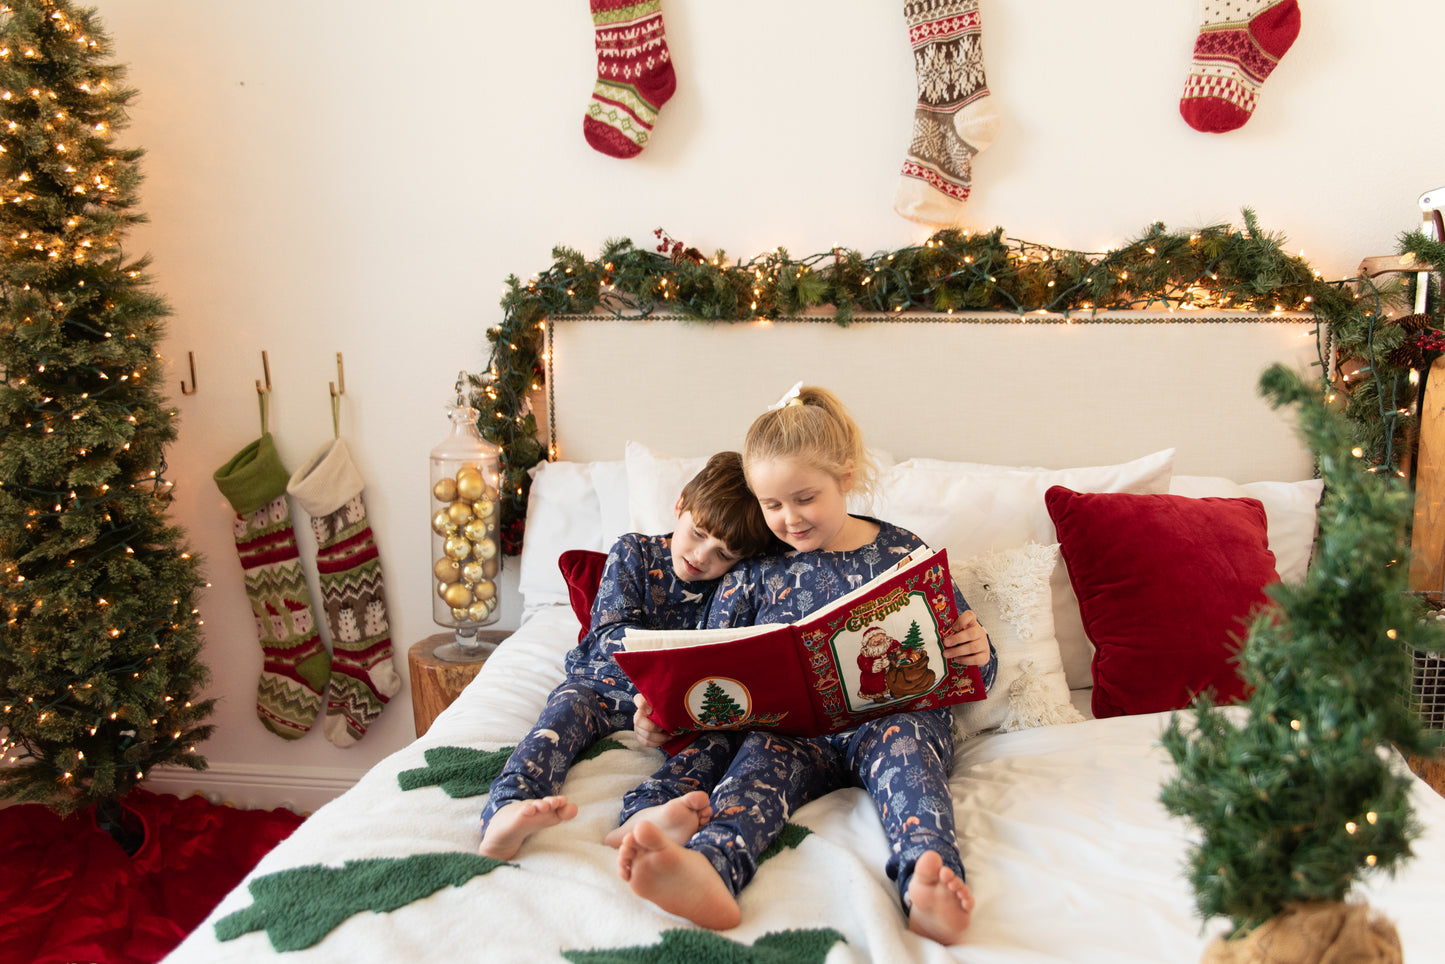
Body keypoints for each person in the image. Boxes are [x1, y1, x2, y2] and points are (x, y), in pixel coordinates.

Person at [615, 384, 997, 946]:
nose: (788, 519)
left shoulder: (900, 552)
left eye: (804, 497)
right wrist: (661, 715)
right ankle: (712, 866)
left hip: (891, 719)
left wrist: (978, 651)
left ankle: (928, 879)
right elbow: (700, 667)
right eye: (771, 505)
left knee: (912, 762)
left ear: (845, 476)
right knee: (754, 769)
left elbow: (971, 672)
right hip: (792, 732)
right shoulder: (754, 570)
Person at [477, 452, 776, 860]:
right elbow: (608, 634)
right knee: (562, 713)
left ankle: (649, 814)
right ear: (680, 505)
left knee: (720, 741)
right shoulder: (633, 552)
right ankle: (509, 808)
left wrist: (669, 708)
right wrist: (654, 690)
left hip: (675, 706)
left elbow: (717, 661)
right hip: (600, 683)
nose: (704, 556)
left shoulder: (733, 584)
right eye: (699, 532)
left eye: (724, 553)